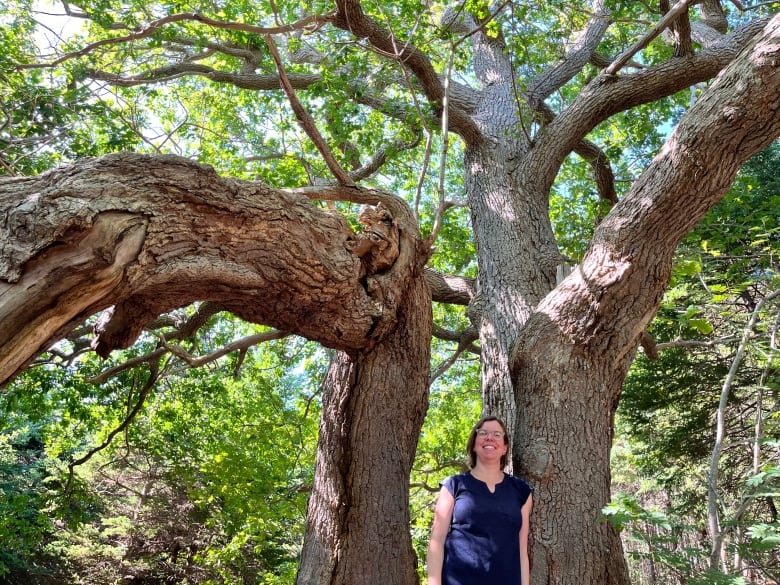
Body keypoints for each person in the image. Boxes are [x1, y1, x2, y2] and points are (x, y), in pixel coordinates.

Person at [426, 416, 533, 585]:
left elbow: (522, 549)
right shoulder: (453, 486)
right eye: (483, 433)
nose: (489, 437)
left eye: (497, 434)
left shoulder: (521, 492)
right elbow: (436, 541)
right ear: (474, 444)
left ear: (505, 448)